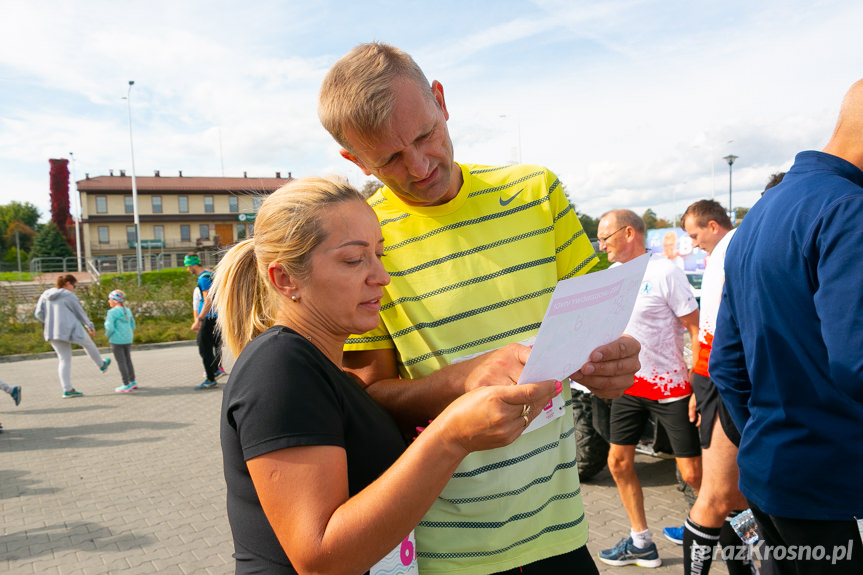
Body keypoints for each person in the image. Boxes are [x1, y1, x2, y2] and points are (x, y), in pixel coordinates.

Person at [319, 42, 641, 574]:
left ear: (441, 101)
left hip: (559, 532)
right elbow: (368, 398)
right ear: (354, 160)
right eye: (390, 159)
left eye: (425, 136)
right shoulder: (361, 244)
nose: (420, 166)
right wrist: (463, 380)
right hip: (446, 552)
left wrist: (614, 361)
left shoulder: (536, 191)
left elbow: (599, 327)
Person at [214, 176, 561, 574]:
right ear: (285, 279)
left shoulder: (324, 369)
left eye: (380, 254)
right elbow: (320, 559)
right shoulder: (279, 367)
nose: (381, 276)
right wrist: (451, 436)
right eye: (353, 259)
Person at [710, 79, 863, 575]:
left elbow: (727, 365)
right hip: (833, 486)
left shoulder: (760, 213)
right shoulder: (849, 209)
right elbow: (856, 363)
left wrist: (771, 434)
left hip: (772, 475)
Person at [595, 209, 702, 569]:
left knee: (692, 474)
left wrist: (699, 384)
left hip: (671, 388)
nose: (601, 244)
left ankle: (725, 533)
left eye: (605, 237)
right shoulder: (611, 276)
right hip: (629, 387)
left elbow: (694, 327)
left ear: (628, 233)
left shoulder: (665, 271)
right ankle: (641, 542)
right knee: (618, 463)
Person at [665, 199, 754, 575]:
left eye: (694, 233)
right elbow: (716, 332)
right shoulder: (733, 246)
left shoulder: (730, 246)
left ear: (713, 225)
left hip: (718, 374)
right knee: (718, 497)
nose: (693, 242)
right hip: (723, 375)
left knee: (737, 500)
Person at [34, 274, 111, 398]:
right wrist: (89, 326)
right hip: (71, 328)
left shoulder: (45, 295)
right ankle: (101, 364)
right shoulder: (69, 295)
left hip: (52, 331)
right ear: (68, 284)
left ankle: (67, 389)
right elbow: (79, 312)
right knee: (88, 343)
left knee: (64, 359)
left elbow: (38, 314)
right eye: (74, 286)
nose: (74, 288)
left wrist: (50, 321)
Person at [185, 253, 223, 389]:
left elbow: (208, 299)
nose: (187, 269)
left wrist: (199, 319)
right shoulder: (208, 273)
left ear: (192, 265)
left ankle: (210, 378)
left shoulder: (203, 279)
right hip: (213, 316)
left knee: (204, 347)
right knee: (210, 345)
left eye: (187, 266)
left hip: (209, 317)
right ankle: (215, 371)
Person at [104, 289, 138, 393]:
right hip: (128, 339)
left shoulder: (112, 312)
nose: (108, 301)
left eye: (109, 299)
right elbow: (133, 325)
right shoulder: (127, 310)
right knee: (128, 360)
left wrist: (107, 335)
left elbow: (109, 327)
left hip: (116, 340)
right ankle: (132, 381)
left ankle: (126, 384)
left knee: (121, 362)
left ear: (115, 300)